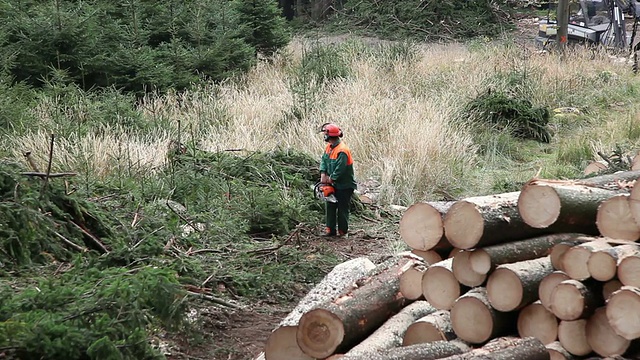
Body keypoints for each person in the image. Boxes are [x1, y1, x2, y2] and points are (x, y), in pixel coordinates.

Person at [319, 123, 357, 237]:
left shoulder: (342, 150)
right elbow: (324, 160)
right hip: (333, 184)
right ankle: (330, 230)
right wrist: (323, 173)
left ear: (329, 136)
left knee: (342, 208)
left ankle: (343, 232)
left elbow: (340, 169)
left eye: (325, 134)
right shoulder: (329, 147)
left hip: (344, 185)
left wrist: (331, 178)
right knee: (330, 206)